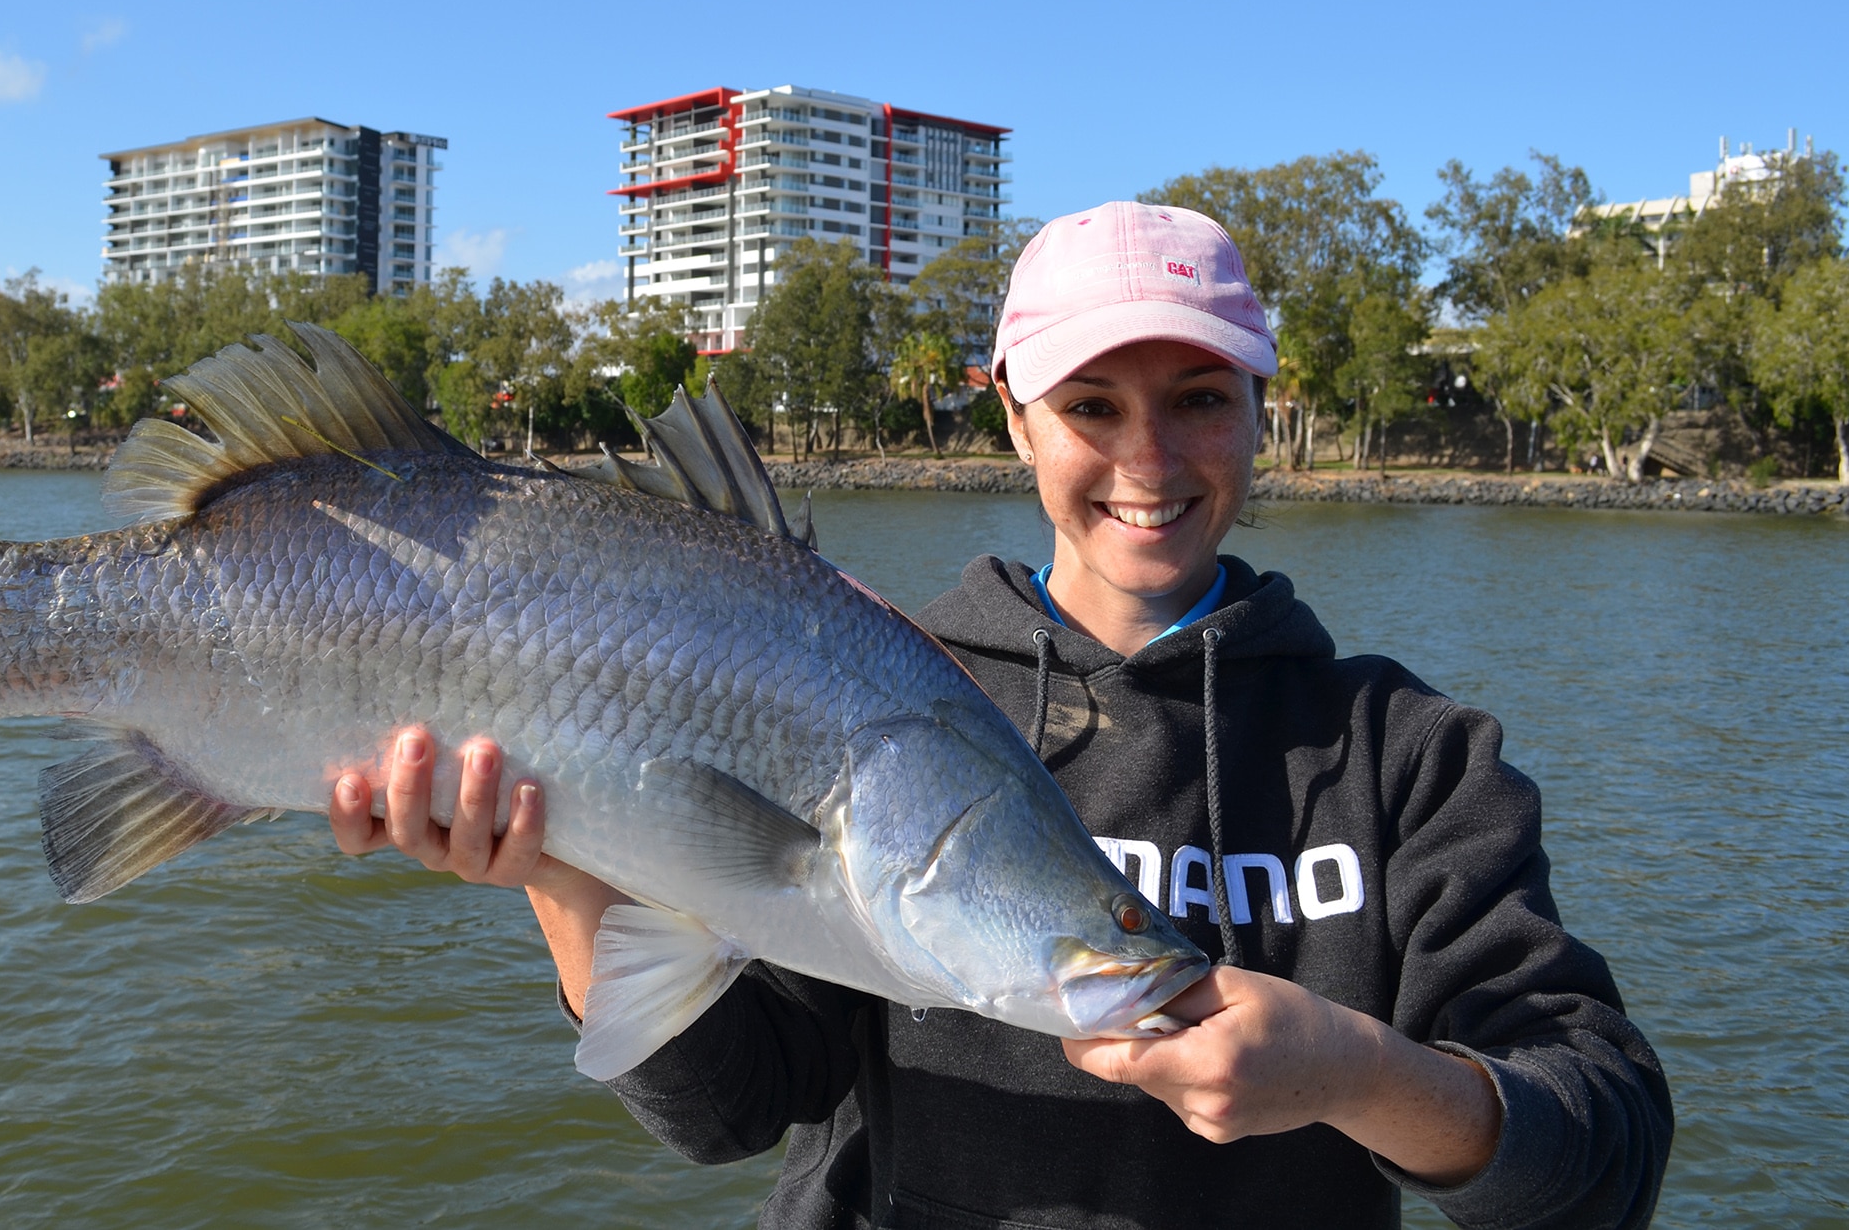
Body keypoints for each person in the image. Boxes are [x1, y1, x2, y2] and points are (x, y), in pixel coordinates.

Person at [328, 201, 1672, 1229]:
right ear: (1013, 421)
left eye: (1199, 400)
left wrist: (1360, 1077)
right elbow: (728, 1111)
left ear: (1265, 407)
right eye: (1090, 406)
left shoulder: (1411, 757)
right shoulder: (858, 686)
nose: (1147, 459)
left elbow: (1601, 1154)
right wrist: (563, 871)